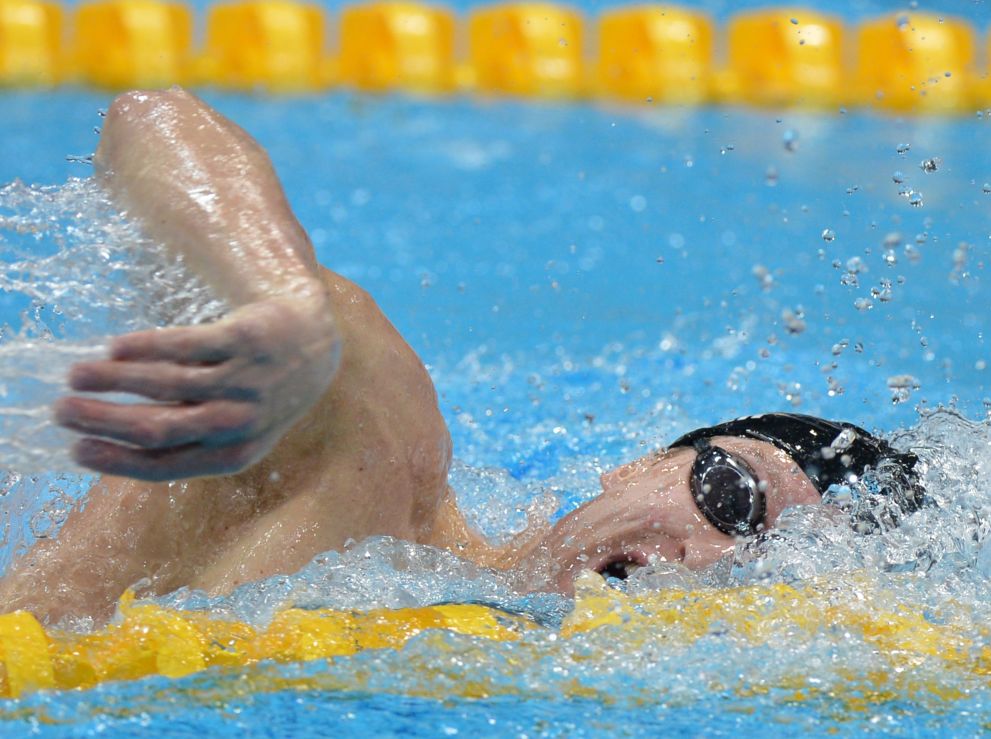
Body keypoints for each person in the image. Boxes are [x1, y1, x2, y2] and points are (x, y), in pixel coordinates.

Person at [0, 90, 921, 624]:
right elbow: (155, 121)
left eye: (762, 563)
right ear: (641, 463)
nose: (707, 553)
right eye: (732, 495)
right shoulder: (379, 458)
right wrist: (287, 310)